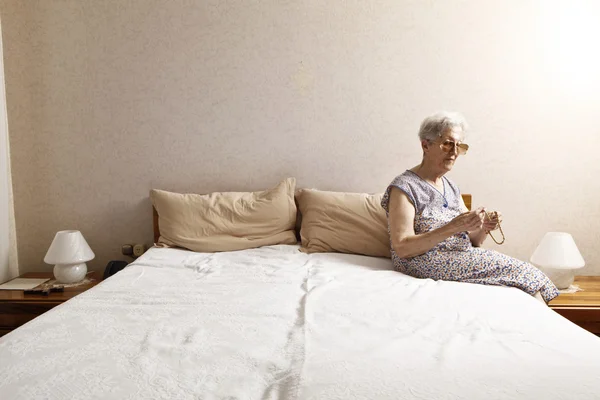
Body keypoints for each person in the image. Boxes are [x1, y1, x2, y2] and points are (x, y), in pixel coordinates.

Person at [381, 111, 558, 303]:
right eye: (448, 144)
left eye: (460, 146)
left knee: (525, 280)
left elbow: (473, 240)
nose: (455, 152)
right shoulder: (404, 187)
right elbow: (402, 248)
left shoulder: (450, 186)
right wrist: (453, 227)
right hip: (424, 260)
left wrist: (484, 227)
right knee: (526, 273)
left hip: (460, 254)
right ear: (426, 145)